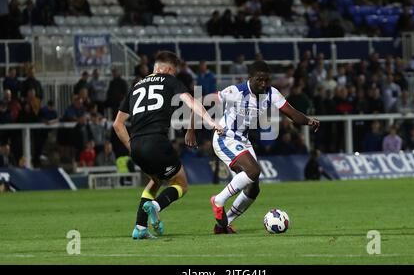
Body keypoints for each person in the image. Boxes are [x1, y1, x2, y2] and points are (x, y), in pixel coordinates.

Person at [185, 60, 320, 234]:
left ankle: (223, 225)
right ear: (250, 78)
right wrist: (191, 131)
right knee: (254, 171)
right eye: (259, 80)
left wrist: (309, 121)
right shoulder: (235, 91)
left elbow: (292, 114)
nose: (263, 84)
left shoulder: (272, 93)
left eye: (266, 80)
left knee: (253, 188)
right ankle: (218, 200)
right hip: (225, 138)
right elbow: (199, 102)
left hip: (243, 141)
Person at [113, 51, 223, 240]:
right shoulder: (169, 79)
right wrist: (211, 122)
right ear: (169, 69)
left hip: (137, 145)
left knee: (156, 180)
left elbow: (117, 124)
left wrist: (132, 146)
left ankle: (140, 227)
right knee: (181, 184)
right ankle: (157, 206)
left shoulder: (135, 87)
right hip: (157, 142)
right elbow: (191, 102)